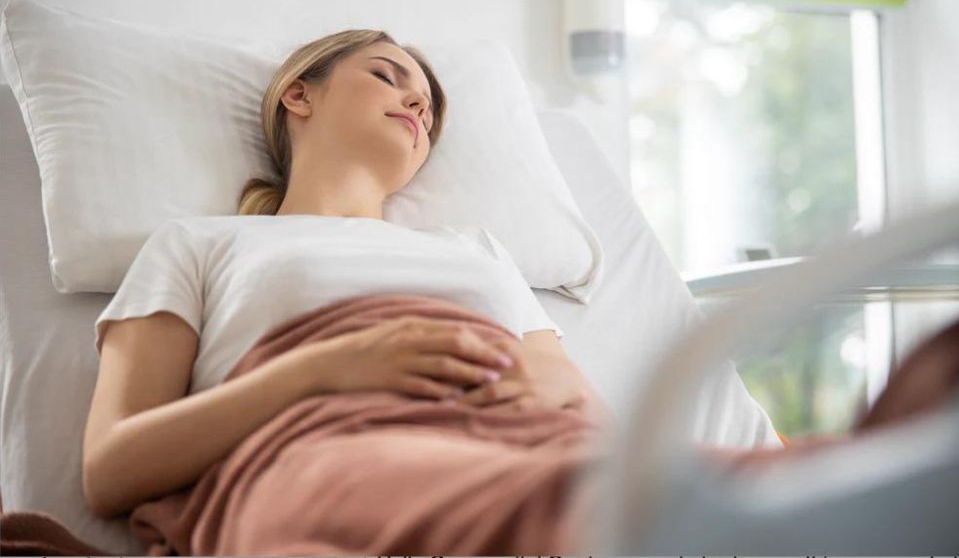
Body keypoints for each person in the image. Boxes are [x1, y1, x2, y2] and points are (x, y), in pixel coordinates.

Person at [82, 29, 611, 520]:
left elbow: (582, 404)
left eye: (428, 114)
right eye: (385, 76)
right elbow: (110, 470)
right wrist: (324, 370)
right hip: (337, 479)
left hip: (523, 458)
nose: (418, 106)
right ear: (300, 96)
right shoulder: (199, 243)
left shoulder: (478, 250)